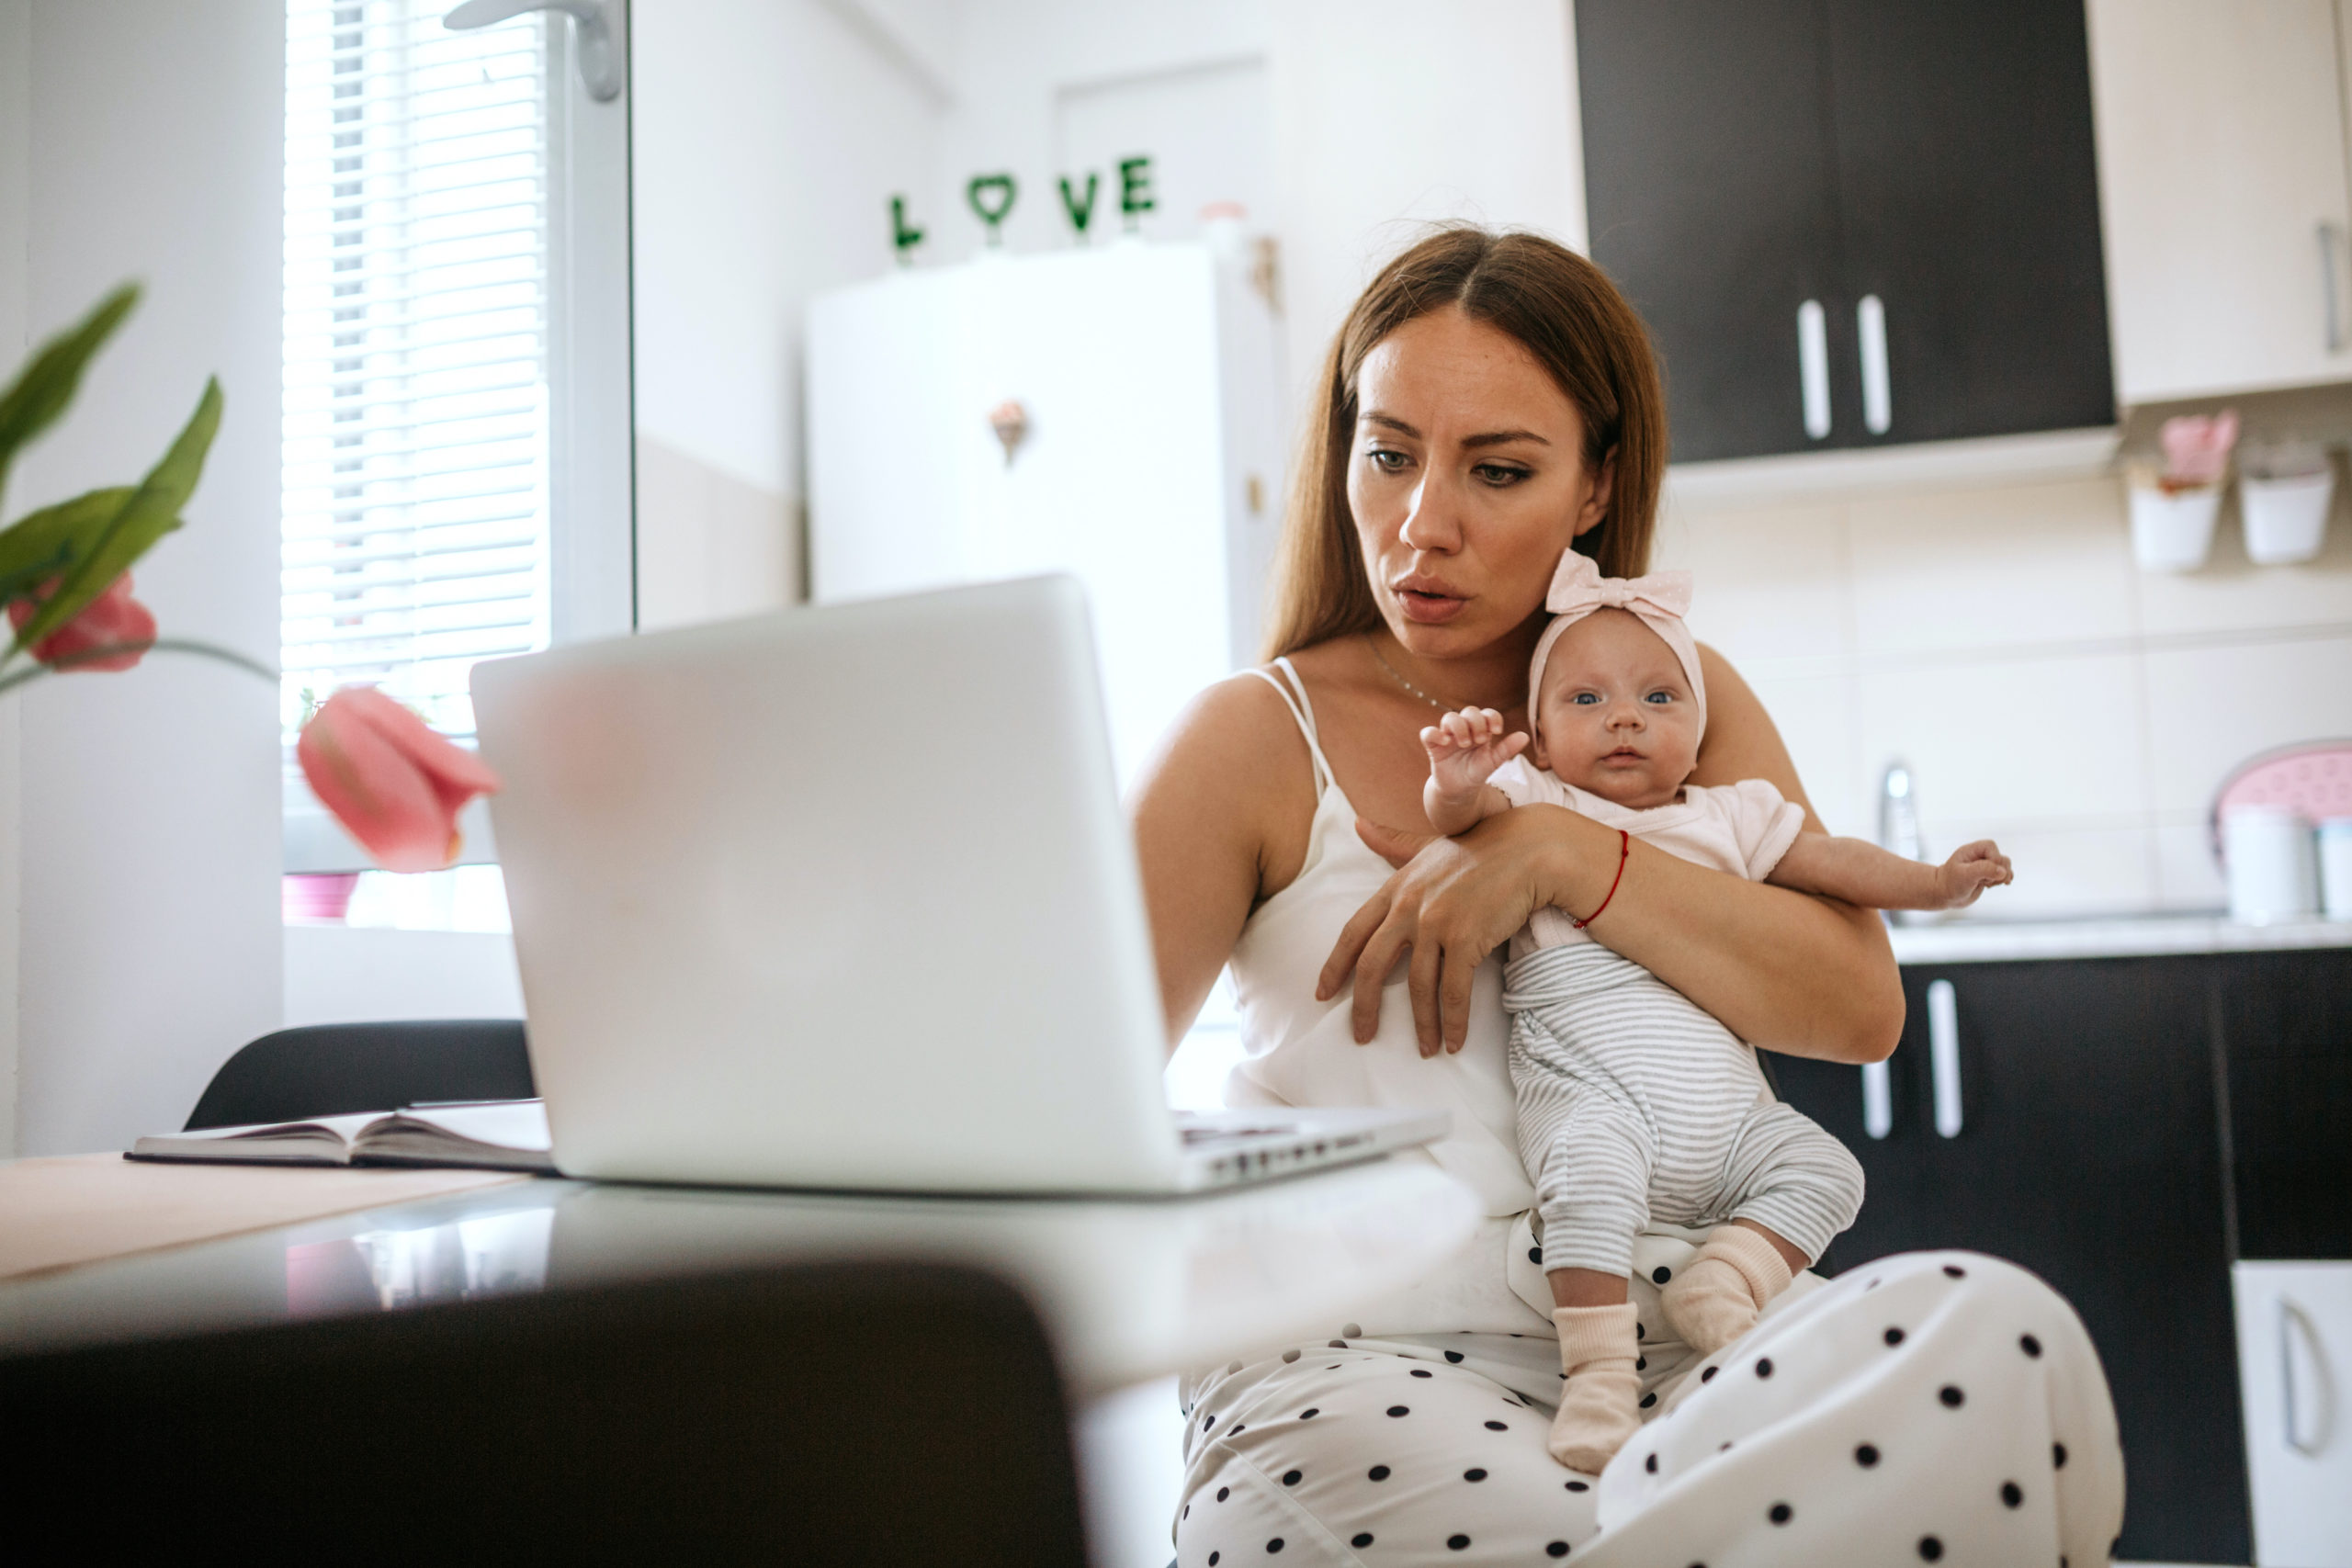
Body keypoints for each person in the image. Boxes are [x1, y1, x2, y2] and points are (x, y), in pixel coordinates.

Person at [1131, 225, 2121, 1564]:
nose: (1424, 521)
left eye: (1498, 469)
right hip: (1369, 1344)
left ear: (1595, 487)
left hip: (1692, 1326)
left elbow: (1856, 1007)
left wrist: (1565, 858)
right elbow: (1063, 1098)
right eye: (1388, 451)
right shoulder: (1255, 733)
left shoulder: (1666, 696)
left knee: (2010, 1340)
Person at [1419, 549, 2010, 1471]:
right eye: (1585, 701)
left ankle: (1723, 1276)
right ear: (1534, 736)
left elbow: (1833, 864)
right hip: (1596, 1098)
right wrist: (1457, 782)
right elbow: (1456, 825)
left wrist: (1931, 883)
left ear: (1698, 731)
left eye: (1660, 698)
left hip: (1730, 1126)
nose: (1624, 717)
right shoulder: (1538, 801)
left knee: (1826, 1167)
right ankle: (1600, 1378)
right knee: (1583, 1183)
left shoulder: (1729, 815)